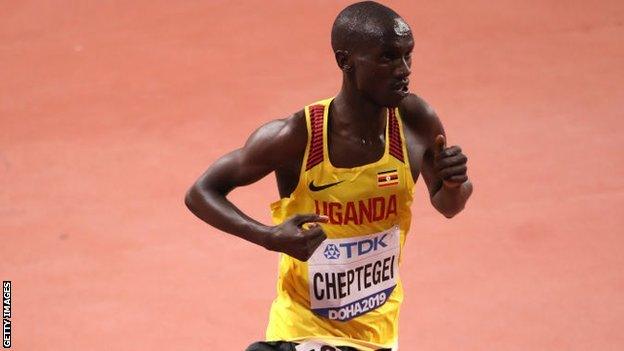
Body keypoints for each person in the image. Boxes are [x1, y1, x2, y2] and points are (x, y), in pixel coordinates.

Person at [185, 1, 473, 350]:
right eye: (387, 58)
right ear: (345, 60)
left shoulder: (415, 121)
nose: (404, 69)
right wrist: (267, 236)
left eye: (407, 55)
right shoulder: (298, 136)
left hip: (376, 336)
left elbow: (448, 204)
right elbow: (201, 191)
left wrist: (456, 184)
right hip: (300, 328)